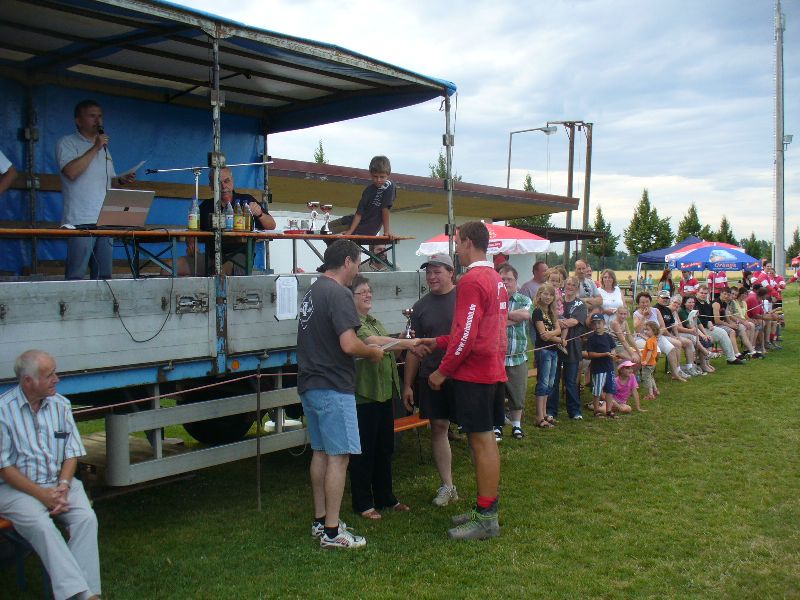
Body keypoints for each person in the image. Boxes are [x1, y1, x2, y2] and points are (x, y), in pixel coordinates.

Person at [296, 239, 384, 549]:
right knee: (339, 457)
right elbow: (349, 344)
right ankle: (333, 533)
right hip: (333, 385)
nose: (357, 269)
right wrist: (372, 352)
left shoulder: (313, 291)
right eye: (357, 263)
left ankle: (320, 521)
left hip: (310, 383)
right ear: (347, 261)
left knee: (320, 452)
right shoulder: (340, 293)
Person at [428, 221, 508, 540]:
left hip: (476, 373)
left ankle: (487, 518)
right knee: (483, 441)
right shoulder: (495, 277)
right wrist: (437, 341)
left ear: (469, 243)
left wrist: (442, 371)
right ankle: (484, 509)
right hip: (491, 368)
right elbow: (482, 330)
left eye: (458, 243)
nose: (456, 249)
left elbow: (466, 335)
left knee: (482, 441)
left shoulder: (472, 279)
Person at [0, 350, 101, 600]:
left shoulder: (61, 404)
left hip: (58, 482)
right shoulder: (3, 411)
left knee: (86, 519)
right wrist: (42, 495)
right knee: (43, 526)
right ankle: (85, 595)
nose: (57, 379)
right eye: (50, 375)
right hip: (16, 488)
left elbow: (71, 453)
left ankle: (81, 594)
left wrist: (64, 485)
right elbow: (4, 468)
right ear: (28, 381)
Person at [348, 276, 422, 520]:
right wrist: (406, 342)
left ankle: (386, 498)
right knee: (364, 451)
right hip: (365, 394)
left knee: (384, 448)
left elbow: (391, 349)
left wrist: (402, 339)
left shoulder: (374, 321)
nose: (368, 295)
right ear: (350, 297)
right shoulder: (353, 323)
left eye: (369, 291)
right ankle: (363, 503)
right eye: (362, 292)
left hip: (384, 393)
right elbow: (372, 342)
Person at [402, 253, 459, 508]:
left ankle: (486, 490)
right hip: (432, 377)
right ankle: (448, 485)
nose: (432, 277)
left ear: (451, 272)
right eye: (428, 272)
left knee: (476, 430)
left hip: (462, 375)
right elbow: (413, 349)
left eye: (437, 272)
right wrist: (407, 384)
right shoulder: (420, 307)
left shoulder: (464, 299)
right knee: (438, 427)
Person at [57, 99, 136, 280]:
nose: (98, 120)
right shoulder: (67, 143)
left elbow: (109, 181)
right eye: (92, 116)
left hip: (105, 219)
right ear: (78, 120)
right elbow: (70, 172)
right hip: (80, 220)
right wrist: (95, 147)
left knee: (104, 277)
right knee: (76, 275)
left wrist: (121, 179)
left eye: (100, 116)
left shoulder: (105, 149)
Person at [187, 167, 276, 276]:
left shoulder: (246, 201)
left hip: (239, 258)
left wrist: (260, 213)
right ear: (211, 186)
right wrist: (191, 243)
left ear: (232, 182)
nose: (223, 186)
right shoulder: (206, 206)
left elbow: (272, 225)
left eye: (226, 181)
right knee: (170, 266)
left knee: (218, 273)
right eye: (218, 183)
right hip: (211, 258)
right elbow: (192, 230)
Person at [497, 264, 532, 440]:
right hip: (496, 358)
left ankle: (517, 425)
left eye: (509, 279)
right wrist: (512, 317)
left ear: (516, 281)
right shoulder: (493, 299)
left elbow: (525, 315)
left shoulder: (524, 300)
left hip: (517, 357)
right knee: (496, 393)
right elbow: (489, 320)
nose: (505, 282)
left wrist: (499, 318)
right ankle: (497, 425)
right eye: (502, 279)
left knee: (517, 393)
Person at [547, 276, 588, 421]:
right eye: (568, 284)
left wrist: (557, 322)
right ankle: (551, 410)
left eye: (573, 285)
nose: (570, 287)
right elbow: (549, 317)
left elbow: (574, 321)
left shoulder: (580, 304)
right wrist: (560, 322)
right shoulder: (557, 299)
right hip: (554, 345)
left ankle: (574, 410)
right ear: (564, 285)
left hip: (572, 346)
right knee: (554, 379)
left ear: (577, 288)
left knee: (571, 381)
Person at [632, 292, 688, 381]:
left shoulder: (656, 311)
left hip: (657, 336)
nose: (645, 304)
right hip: (642, 338)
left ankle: (675, 374)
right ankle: (649, 372)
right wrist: (643, 317)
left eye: (647, 302)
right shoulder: (636, 314)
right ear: (638, 303)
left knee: (671, 349)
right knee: (655, 350)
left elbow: (662, 326)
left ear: (650, 302)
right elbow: (638, 329)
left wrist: (658, 335)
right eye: (642, 302)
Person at [342, 156, 394, 238]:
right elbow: (359, 213)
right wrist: (350, 231)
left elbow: (385, 209)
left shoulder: (389, 185)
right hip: (353, 222)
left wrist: (386, 231)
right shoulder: (368, 190)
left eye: (382, 177)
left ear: (388, 175)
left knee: (329, 233)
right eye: (375, 176)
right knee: (327, 228)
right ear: (371, 174)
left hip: (364, 229)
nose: (378, 180)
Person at [532, 284, 561, 429]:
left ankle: (544, 414)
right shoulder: (537, 312)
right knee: (543, 383)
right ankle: (539, 417)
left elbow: (558, 329)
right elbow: (543, 336)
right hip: (543, 350)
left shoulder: (551, 312)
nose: (548, 297)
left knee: (550, 383)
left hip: (554, 350)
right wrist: (559, 339)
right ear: (539, 295)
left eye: (550, 294)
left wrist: (552, 335)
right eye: (545, 294)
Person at [654, 290, 701, 376]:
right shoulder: (656, 309)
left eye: (667, 298)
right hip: (660, 335)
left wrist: (677, 335)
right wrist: (673, 336)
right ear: (658, 298)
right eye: (663, 298)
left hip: (669, 335)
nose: (665, 299)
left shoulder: (667, 310)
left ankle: (690, 367)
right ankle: (677, 369)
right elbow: (662, 328)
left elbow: (673, 325)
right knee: (678, 343)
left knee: (688, 342)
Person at [695, 285, 745, 365]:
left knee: (723, 332)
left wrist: (709, 323)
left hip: (708, 327)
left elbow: (708, 317)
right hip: (698, 330)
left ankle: (731, 358)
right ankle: (701, 361)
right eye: (701, 293)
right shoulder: (694, 303)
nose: (703, 295)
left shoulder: (706, 304)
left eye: (705, 293)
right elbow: (695, 320)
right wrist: (708, 324)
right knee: (724, 332)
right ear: (697, 292)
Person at [584, 313, 617, 417]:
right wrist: (604, 354)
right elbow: (590, 354)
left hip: (609, 367)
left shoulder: (608, 336)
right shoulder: (591, 338)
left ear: (604, 323)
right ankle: (596, 410)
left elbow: (613, 348)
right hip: (598, 369)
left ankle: (609, 411)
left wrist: (613, 354)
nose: (597, 326)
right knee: (597, 390)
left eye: (599, 323)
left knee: (610, 389)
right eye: (594, 324)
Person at [639, 322, 661, 399]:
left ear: (654, 331)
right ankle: (655, 390)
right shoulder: (653, 338)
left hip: (648, 363)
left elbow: (649, 352)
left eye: (647, 330)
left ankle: (650, 394)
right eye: (645, 329)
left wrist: (645, 361)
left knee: (646, 378)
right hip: (652, 363)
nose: (645, 331)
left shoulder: (650, 341)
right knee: (650, 377)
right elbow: (648, 340)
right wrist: (641, 336)